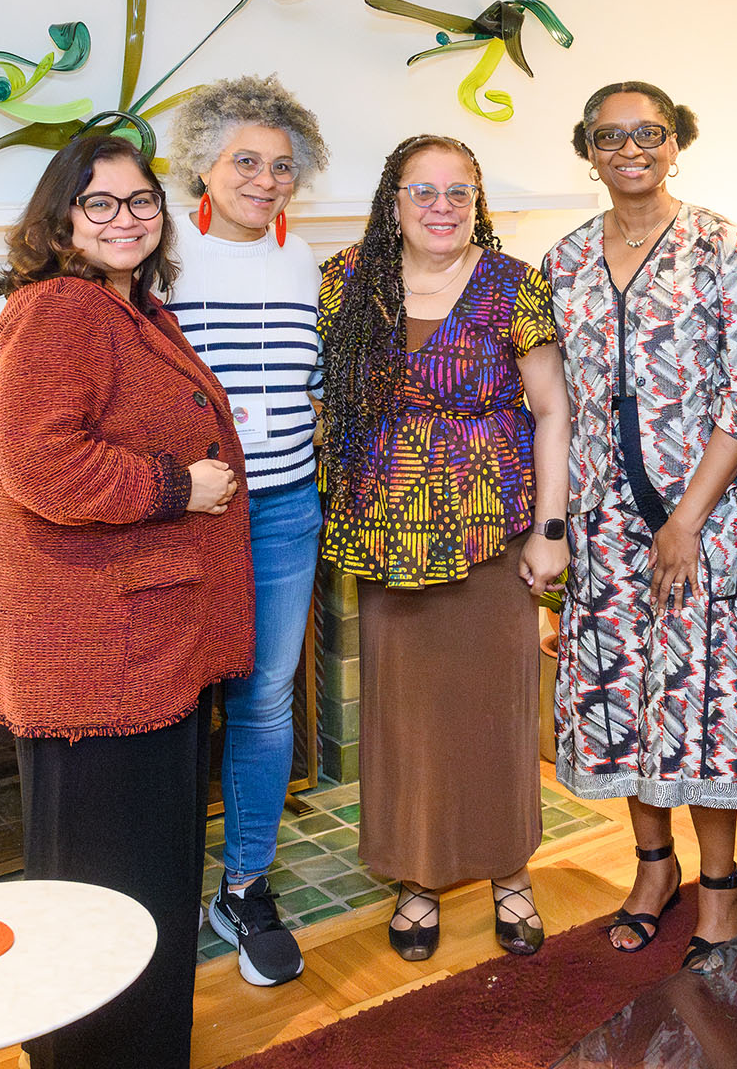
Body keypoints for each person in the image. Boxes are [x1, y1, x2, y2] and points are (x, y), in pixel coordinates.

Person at [0, 133, 252, 1069]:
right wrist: (181, 486)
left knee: (141, 880)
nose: (125, 220)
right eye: (101, 204)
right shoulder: (63, 311)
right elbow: (42, 462)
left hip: (138, 642)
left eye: (140, 203)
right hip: (94, 654)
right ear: (62, 219)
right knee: (106, 893)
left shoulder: (127, 310)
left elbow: (20, 444)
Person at [544, 80, 737, 975]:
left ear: (676, 142)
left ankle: (722, 884)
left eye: (649, 133)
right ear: (590, 150)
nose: (631, 148)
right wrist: (558, 523)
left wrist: (687, 520)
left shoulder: (724, 247)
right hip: (604, 526)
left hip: (706, 520)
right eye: (611, 136)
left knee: (701, 704)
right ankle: (653, 872)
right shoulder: (564, 261)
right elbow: (556, 403)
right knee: (625, 704)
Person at [317, 134, 569, 961]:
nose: (440, 206)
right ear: (394, 201)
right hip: (388, 533)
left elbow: (552, 412)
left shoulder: (512, 285)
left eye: (457, 192)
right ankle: (417, 878)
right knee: (407, 715)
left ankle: (509, 875)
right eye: (422, 191)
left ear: (477, 201)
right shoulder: (347, 280)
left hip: (491, 530)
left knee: (497, 709)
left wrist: (551, 529)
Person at [166, 74, 330, 987]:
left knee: (265, 703)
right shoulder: (162, 255)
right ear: (203, 162)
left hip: (283, 512)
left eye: (281, 166)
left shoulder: (302, 258)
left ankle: (245, 885)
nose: (265, 180)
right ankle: (161, 884)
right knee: (177, 703)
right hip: (191, 518)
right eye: (245, 162)